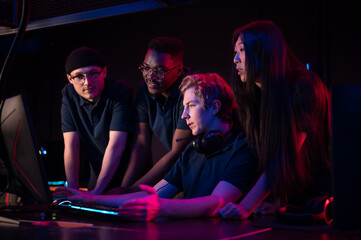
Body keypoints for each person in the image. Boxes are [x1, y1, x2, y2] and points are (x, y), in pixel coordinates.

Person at [56, 73, 258, 221]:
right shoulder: (192, 150)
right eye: (183, 107)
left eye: (191, 106)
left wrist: (161, 207)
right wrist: (89, 198)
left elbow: (217, 202)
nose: (183, 115)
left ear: (214, 107)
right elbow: (152, 195)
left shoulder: (242, 149)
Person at [218, 20, 331, 220]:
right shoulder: (256, 95)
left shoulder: (304, 87)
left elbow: (285, 154)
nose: (235, 59)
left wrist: (245, 206)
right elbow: (267, 156)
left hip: (320, 200)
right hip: (291, 201)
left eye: (242, 50)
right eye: (235, 52)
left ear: (264, 51)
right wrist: (276, 202)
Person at [121, 36, 193, 188]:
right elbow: (141, 144)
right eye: (146, 68)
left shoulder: (191, 91)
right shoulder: (144, 91)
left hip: (201, 170)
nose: (150, 76)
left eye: (160, 71)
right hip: (177, 171)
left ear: (179, 70)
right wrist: (124, 187)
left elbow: (176, 153)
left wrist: (132, 190)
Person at [61, 46, 133, 195]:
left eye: (93, 73)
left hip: (128, 177)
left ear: (104, 72)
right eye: (79, 76)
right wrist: (72, 193)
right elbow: (71, 146)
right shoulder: (69, 95)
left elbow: (116, 145)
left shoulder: (119, 91)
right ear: (70, 79)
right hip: (97, 176)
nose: (87, 82)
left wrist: (96, 193)